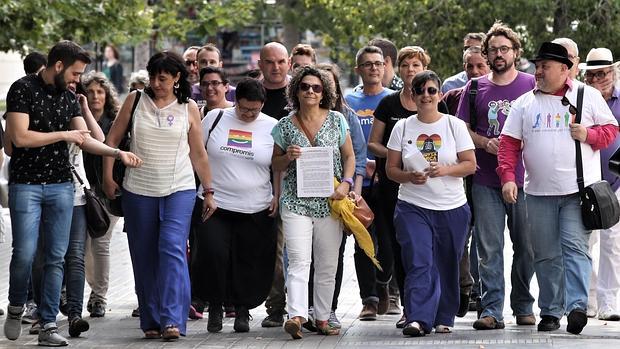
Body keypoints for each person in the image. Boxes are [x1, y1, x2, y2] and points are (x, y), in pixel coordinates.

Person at [2, 40, 141, 346]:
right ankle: (15, 306)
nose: (79, 79)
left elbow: (87, 139)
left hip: (63, 187)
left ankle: (50, 324)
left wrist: (116, 153)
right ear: (59, 65)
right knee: (25, 253)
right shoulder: (21, 89)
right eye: (77, 73)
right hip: (26, 185)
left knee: (56, 258)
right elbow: (20, 137)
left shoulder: (67, 98)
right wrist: (65, 134)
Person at [497, 41, 618, 334]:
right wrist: (508, 177)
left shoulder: (586, 96)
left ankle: (577, 307)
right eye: (537, 67)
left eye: (545, 67)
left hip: (577, 192)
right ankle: (550, 311)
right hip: (537, 193)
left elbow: (611, 131)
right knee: (546, 253)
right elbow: (508, 144)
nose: (538, 72)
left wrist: (588, 134)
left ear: (565, 70)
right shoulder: (525, 103)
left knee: (575, 248)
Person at [102, 50, 216, 341]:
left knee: (172, 249)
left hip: (179, 188)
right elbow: (112, 141)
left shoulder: (189, 107)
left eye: (163, 78)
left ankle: (172, 320)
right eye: (153, 77)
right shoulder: (135, 99)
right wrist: (107, 176)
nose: (156, 83)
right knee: (143, 254)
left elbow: (199, 154)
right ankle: (151, 319)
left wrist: (210, 190)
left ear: (177, 78)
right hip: (138, 189)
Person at [457, 21, 536, 330]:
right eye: (494, 50)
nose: (499, 54)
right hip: (485, 180)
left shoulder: (531, 84)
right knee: (489, 249)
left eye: (505, 49)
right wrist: (483, 142)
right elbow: (461, 127)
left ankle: (524, 305)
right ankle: (491, 310)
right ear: (486, 54)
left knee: (526, 247)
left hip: (526, 180)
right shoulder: (474, 87)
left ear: (515, 51)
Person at [386, 70, 476, 336]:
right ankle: (418, 318)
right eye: (420, 90)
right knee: (418, 260)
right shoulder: (402, 127)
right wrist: (408, 177)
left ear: (438, 94)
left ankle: (444, 316)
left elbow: (470, 165)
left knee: (447, 262)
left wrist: (446, 170)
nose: (426, 95)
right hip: (412, 206)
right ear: (412, 95)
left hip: (452, 207)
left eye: (431, 90)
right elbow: (391, 169)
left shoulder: (454, 125)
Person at [271, 66, 355, 339]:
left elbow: (350, 157)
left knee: (328, 263)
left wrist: (346, 183)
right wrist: (288, 157)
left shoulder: (337, 120)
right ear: (296, 90)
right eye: (305, 86)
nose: (310, 91)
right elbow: (275, 163)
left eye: (316, 87)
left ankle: (321, 318)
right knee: (298, 260)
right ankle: (296, 314)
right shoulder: (284, 125)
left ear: (324, 92)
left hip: (330, 202)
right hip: (296, 201)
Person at [192, 78, 279, 334]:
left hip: (256, 206)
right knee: (213, 256)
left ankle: (243, 310)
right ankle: (216, 307)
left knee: (249, 260)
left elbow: (277, 165)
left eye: (255, 109)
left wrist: (277, 194)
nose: (250, 114)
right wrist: (206, 190)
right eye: (244, 109)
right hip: (215, 203)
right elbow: (198, 154)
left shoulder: (272, 126)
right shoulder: (216, 118)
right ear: (235, 101)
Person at [369, 45, 445, 327]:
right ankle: (408, 306)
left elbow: (450, 142)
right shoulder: (389, 104)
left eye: (416, 65)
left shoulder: (438, 102)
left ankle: (435, 304)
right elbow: (372, 143)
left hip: (435, 187)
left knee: (430, 249)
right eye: (405, 65)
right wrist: (398, 155)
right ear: (398, 70)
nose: (411, 70)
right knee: (402, 247)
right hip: (395, 185)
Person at [303, 63, 366, 330]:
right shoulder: (295, 117)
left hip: (335, 198)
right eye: (309, 86)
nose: (315, 91)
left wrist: (352, 191)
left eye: (322, 86)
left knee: (332, 256)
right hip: (303, 200)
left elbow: (357, 157)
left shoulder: (345, 117)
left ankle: (328, 309)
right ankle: (304, 308)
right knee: (303, 255)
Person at [345, 45, 394, 321]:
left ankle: (385, 281)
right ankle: (370, 300)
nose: (374, 68)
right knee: (363, 241)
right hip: (358, 184)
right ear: (359, 70)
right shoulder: (349, 101)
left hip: (386, 179)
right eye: (368, 64)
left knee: (387, 242)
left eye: (378, 63)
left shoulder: (392, 99)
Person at [579, 47, 620, 321]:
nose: (598, 79)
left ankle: (609, 302)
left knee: (613, 243)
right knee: (583, 242)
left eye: (603, 73)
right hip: (586, 182)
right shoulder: (582, 99)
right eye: (592, 74)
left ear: (613, 72)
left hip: (617, 181)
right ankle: (590, 298)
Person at [80, 71, 122, 318]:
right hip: (82, 189)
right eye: (91, 91)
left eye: (100, 91)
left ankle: (99, 297)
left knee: (101, 242)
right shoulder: (76, 119)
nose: (96, 96)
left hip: (107, 190)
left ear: (107, 95)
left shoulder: (115, 120)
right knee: (83, 246)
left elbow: (108, 144)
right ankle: (92, 289)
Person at [258, 42, 291, 328]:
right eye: (270, 62)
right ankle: (275, 306)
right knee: (271, 251)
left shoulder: (300, 93)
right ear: (260, 65)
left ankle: (297, 305)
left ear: (289, 62)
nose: (275, 67)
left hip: (298, 183)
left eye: (281, 61)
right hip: (260, 184)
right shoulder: (253, 94)